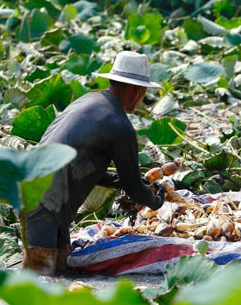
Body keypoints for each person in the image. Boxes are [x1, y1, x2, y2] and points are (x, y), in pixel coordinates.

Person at [22, 51, 167, 275]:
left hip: (40, 193)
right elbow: (134, 189)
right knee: (36, 279)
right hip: (44, 202)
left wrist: (121, 182)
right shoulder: (119, 124)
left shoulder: (88, 101)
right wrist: (156, 201)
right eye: (144, 92)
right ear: (137, 90)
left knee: (60, 271)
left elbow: (84, 165)